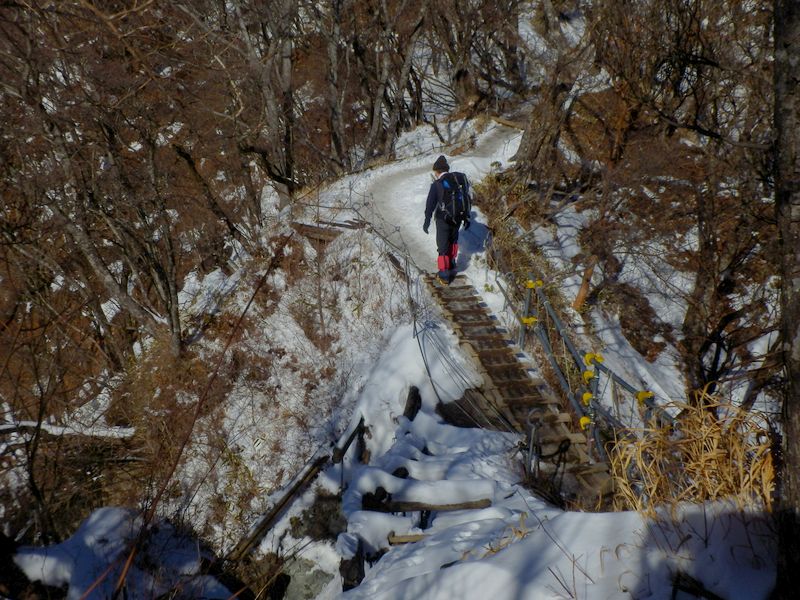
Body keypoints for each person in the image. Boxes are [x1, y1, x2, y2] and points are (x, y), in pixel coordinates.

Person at [423, 155, 471, 283]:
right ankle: (452, 263)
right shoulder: (457, 180)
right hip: (458, 217)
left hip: (442, 219)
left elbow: (430, 205)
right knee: (453, 240)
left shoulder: (437, 184)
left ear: (437, 171)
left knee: (443, 245)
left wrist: (427, 221)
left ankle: (444, 275)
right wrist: (466, 217)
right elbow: (466, 198)